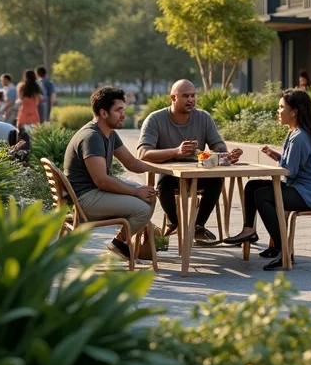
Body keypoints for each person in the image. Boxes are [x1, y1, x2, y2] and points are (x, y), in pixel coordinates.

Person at [222, 88, 311, 270]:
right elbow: (292, 166)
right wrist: (276, 156)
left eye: (281, 107)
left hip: (310, 194)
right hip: (303, 189)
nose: (278, 111)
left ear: (294, 112)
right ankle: (249, 230)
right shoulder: (296, 133)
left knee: (262, 196)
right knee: (252, 186)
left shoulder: (299, 137)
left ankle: (284, 251)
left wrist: (273, 166)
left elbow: (289, 172)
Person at [63, 86, 159, 262]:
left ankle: (119, 244)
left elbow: (131, 163)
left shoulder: (109, 134)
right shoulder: (92, 137)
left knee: (149, 196)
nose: (123, 114)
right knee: (143, 208)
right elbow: (102, 181)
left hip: (93, 193)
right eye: (118, 110)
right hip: (85, 200)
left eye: (123, 109)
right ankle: (119, 244)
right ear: (103, 113)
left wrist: (160, 168)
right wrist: (135, 192)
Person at [139, 79, 231, 245]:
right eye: (185, 96)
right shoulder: (155, 119)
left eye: (193, 96)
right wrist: (175, 152)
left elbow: (218, 144)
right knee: (164, 185)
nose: (191, 100)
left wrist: (224, 154)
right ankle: (176, 224)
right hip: (170, 175)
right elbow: (143, 153)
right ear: (173, 98)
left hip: (198, 172)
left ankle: (198, 226)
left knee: (217, 179)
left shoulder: (203, 117)